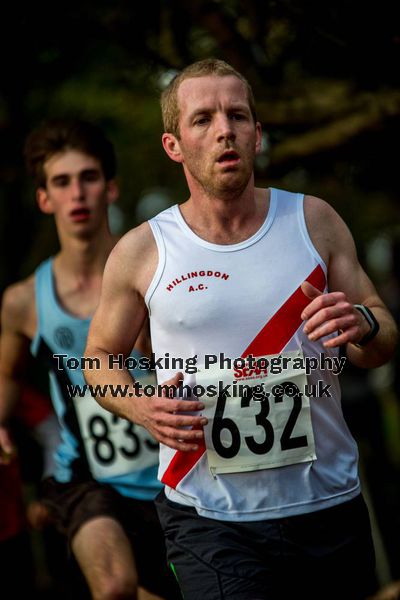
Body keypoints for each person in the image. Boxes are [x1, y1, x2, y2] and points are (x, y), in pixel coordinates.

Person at [83, 59, 398, 600]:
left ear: (257, 134)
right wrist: (140, 407)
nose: (224, 129)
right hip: (210, 518)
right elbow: (99, 357)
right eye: (202, 119)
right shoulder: (142, 250)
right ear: (173, 145)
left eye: (238, 115)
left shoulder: (314, 220)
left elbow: (382, 340)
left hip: (328, 506)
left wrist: (363, 322)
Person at [0, 118, 179, 600]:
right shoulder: (24, 301)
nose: (77, 193)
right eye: (61, 181)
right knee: (116, 586)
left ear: (112, 188)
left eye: (89, 177)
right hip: (83, 477)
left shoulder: (162, 274)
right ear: (44, 199)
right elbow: (8, 374)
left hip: (175, 468)